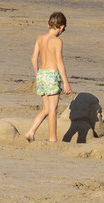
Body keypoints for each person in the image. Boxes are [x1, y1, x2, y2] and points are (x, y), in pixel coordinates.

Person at [24, 11, 70, 143]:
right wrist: (66, 83)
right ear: (62, 27)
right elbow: (59, 63)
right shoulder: (58, 41)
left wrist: (37, 74)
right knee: (53, 110)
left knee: (46, 109)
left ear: (48, 24)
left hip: (41, 74)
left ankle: (31, 132)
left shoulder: (40, 37)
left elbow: (34, 58)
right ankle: (52, 139)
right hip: (52, 75)